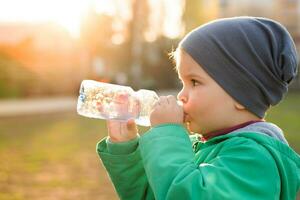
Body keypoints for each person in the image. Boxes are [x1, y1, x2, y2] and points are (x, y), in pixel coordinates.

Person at [96, 16, 300, 199]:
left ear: (241, 94)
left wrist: (167, 134)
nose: (181, 95)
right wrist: (126, 147)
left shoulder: (254, 160)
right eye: (182, 83)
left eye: (194, 82)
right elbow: (158, 195)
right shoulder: (205, 146)